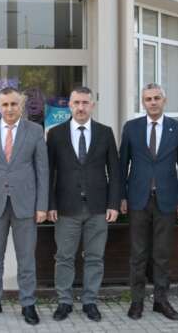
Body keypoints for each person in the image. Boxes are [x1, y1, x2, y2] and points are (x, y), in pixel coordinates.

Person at [0, 87, 48, 325]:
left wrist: (42, 205)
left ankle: (28, 303)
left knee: (26, 259)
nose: (9, 109)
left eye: (14, 104)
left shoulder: (35, 131)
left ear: (21, 105)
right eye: (5, 105)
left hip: (26, 204)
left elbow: (42, 170)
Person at [47, 86, 120, 322]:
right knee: (64, 257)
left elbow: (115, 171)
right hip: (66, 207)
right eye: (76, 103)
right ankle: (64, 301)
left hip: (98, 207)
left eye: (85, 103)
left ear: (92, 105)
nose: (80, 107)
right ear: (69, 105)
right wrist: (50, 204)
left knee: (95, 257)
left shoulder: (105, 132)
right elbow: (49, 172)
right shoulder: (55, 134)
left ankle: (90, 301)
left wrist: (113, 204)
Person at [119, 83, 178, 321]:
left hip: (167, 200)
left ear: (164, 100)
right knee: (138, 254)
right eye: (148, 99)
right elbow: (122, 165)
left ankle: (161, 301)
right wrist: (121, 197)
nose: (152, 102)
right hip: (138, 199)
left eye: (157, 98)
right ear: (143, 102)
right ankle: (137, 301)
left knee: (162, 254)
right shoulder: (131, 128)